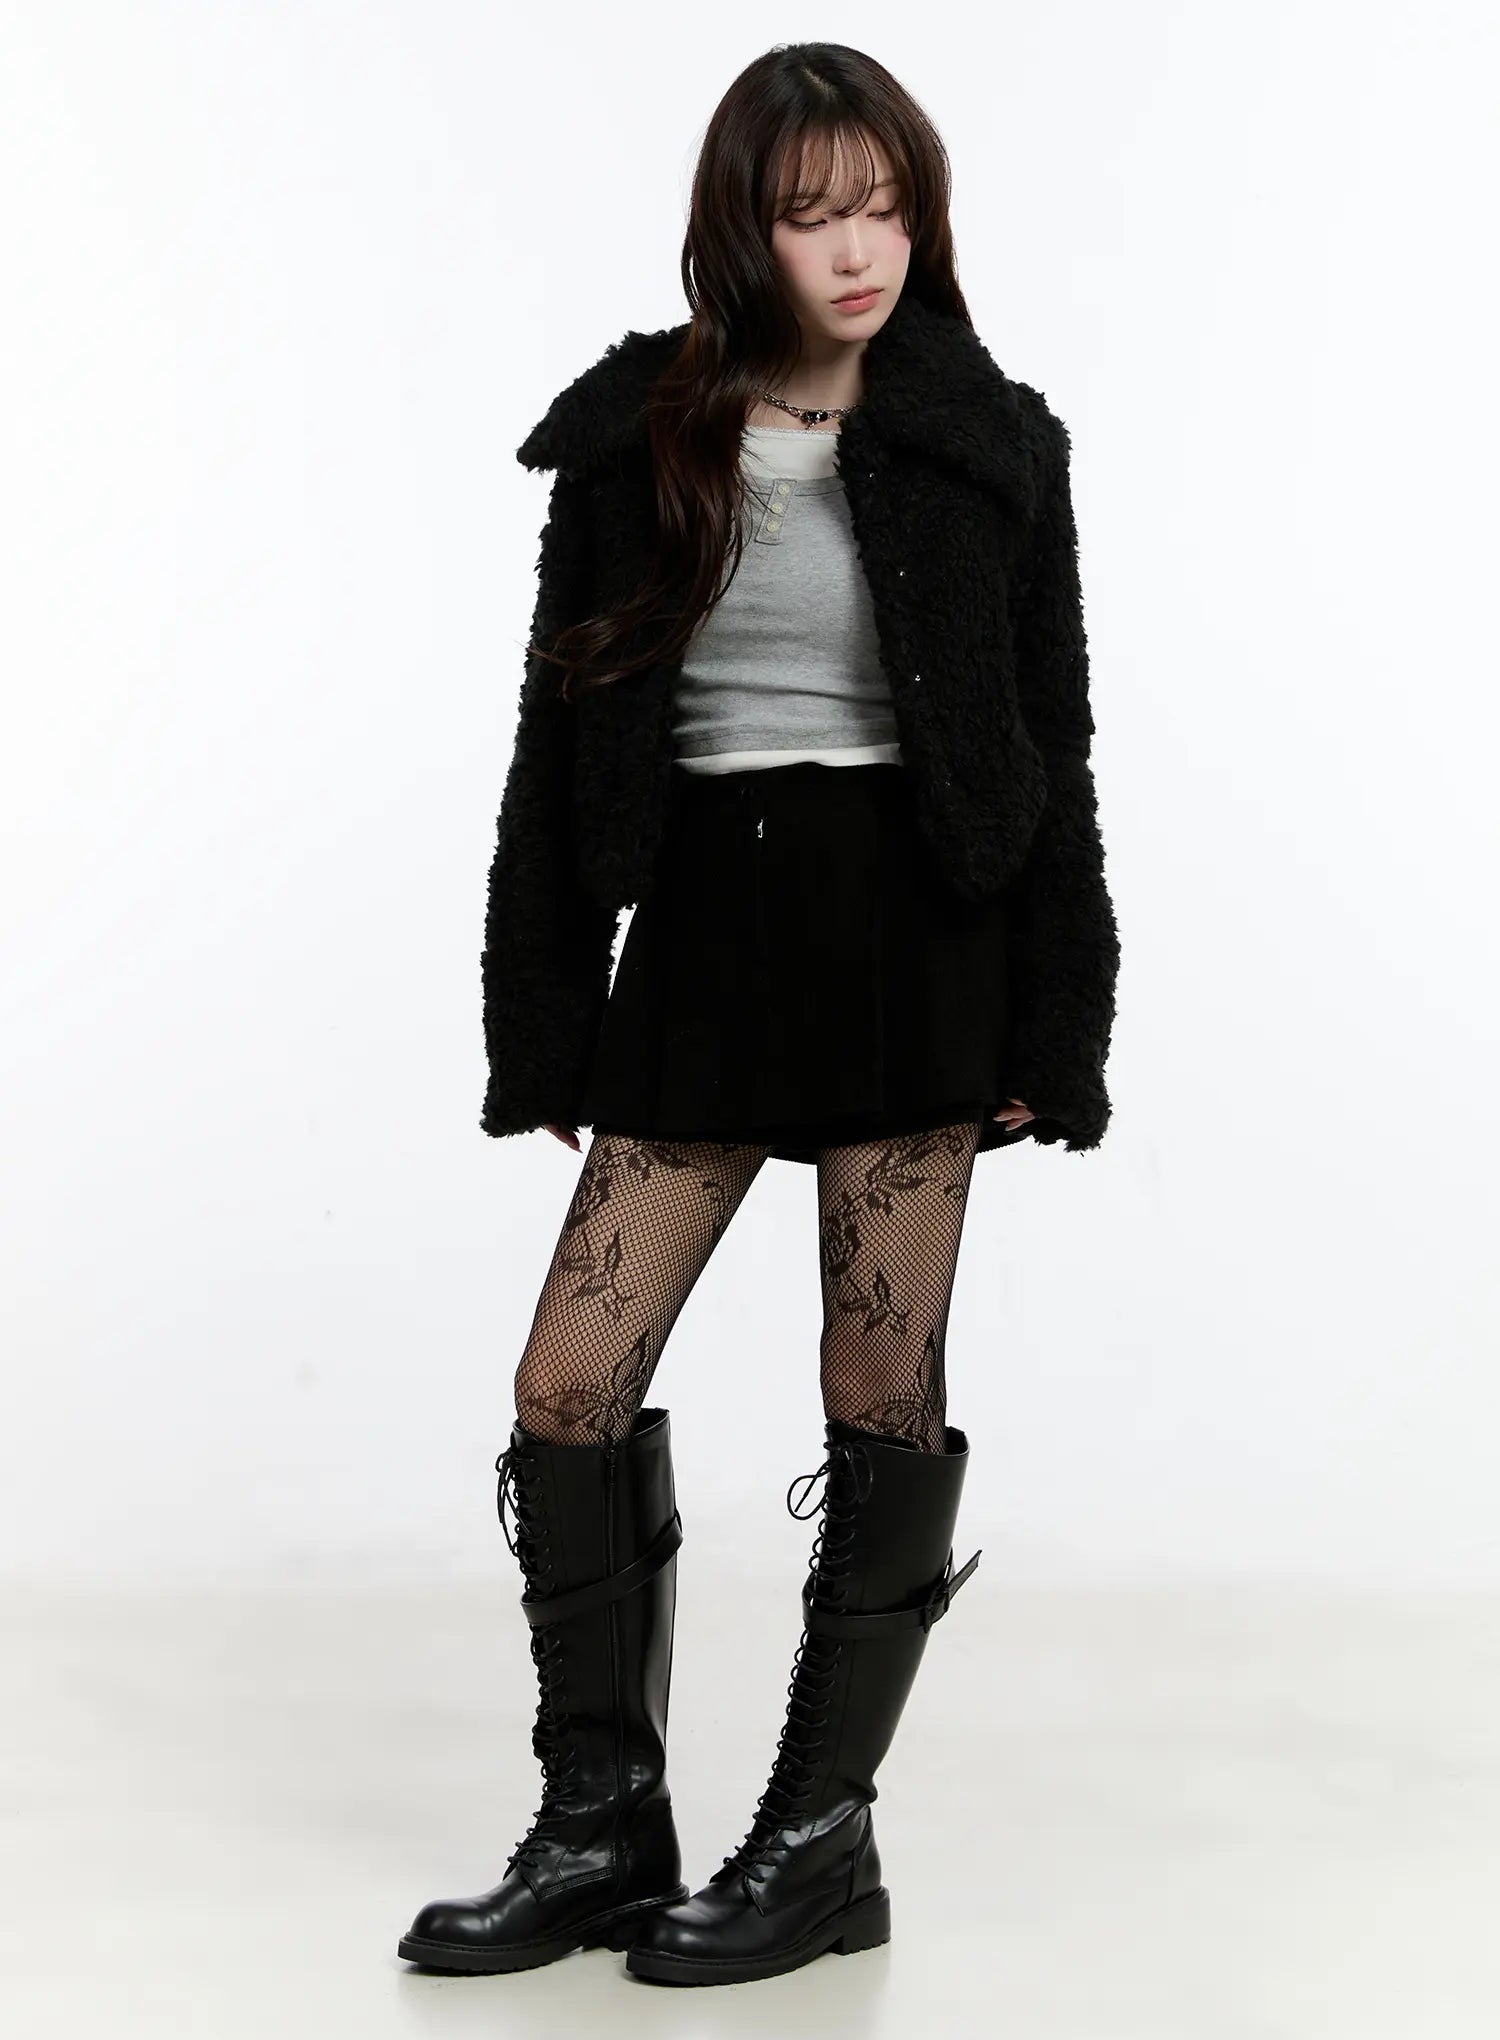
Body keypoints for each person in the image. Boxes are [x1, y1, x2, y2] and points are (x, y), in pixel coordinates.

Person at [396, 40, 1119, 1989]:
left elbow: (1051, 741)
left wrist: (1060, 1028)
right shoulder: (641, 433)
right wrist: (543, 1019)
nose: (859, 249)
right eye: (814, 215)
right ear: (746, 229)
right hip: (708, 934)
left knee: (877, 1388)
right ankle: (600, 1826)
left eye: (885, 207)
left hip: (919, 938)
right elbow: (557, 743)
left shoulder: (988, 441)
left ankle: (817, 1843)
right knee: (568, 1383)